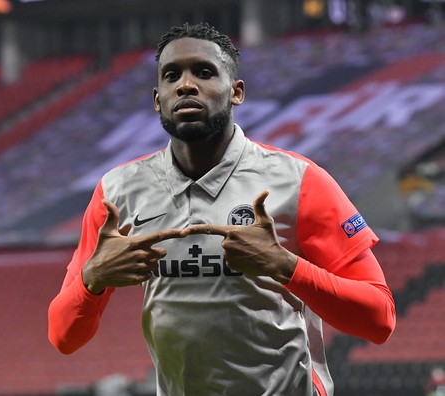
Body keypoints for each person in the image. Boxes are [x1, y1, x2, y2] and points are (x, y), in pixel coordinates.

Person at [48, 22, 396, 395]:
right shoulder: (117, 192)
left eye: (204, 72)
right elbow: (63, 337)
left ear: (237, 92)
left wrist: (284, 266)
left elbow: (379, 320)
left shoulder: (299, 181)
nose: (185, 85)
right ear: (157, 98)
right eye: (171, 76)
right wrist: (93, 279)